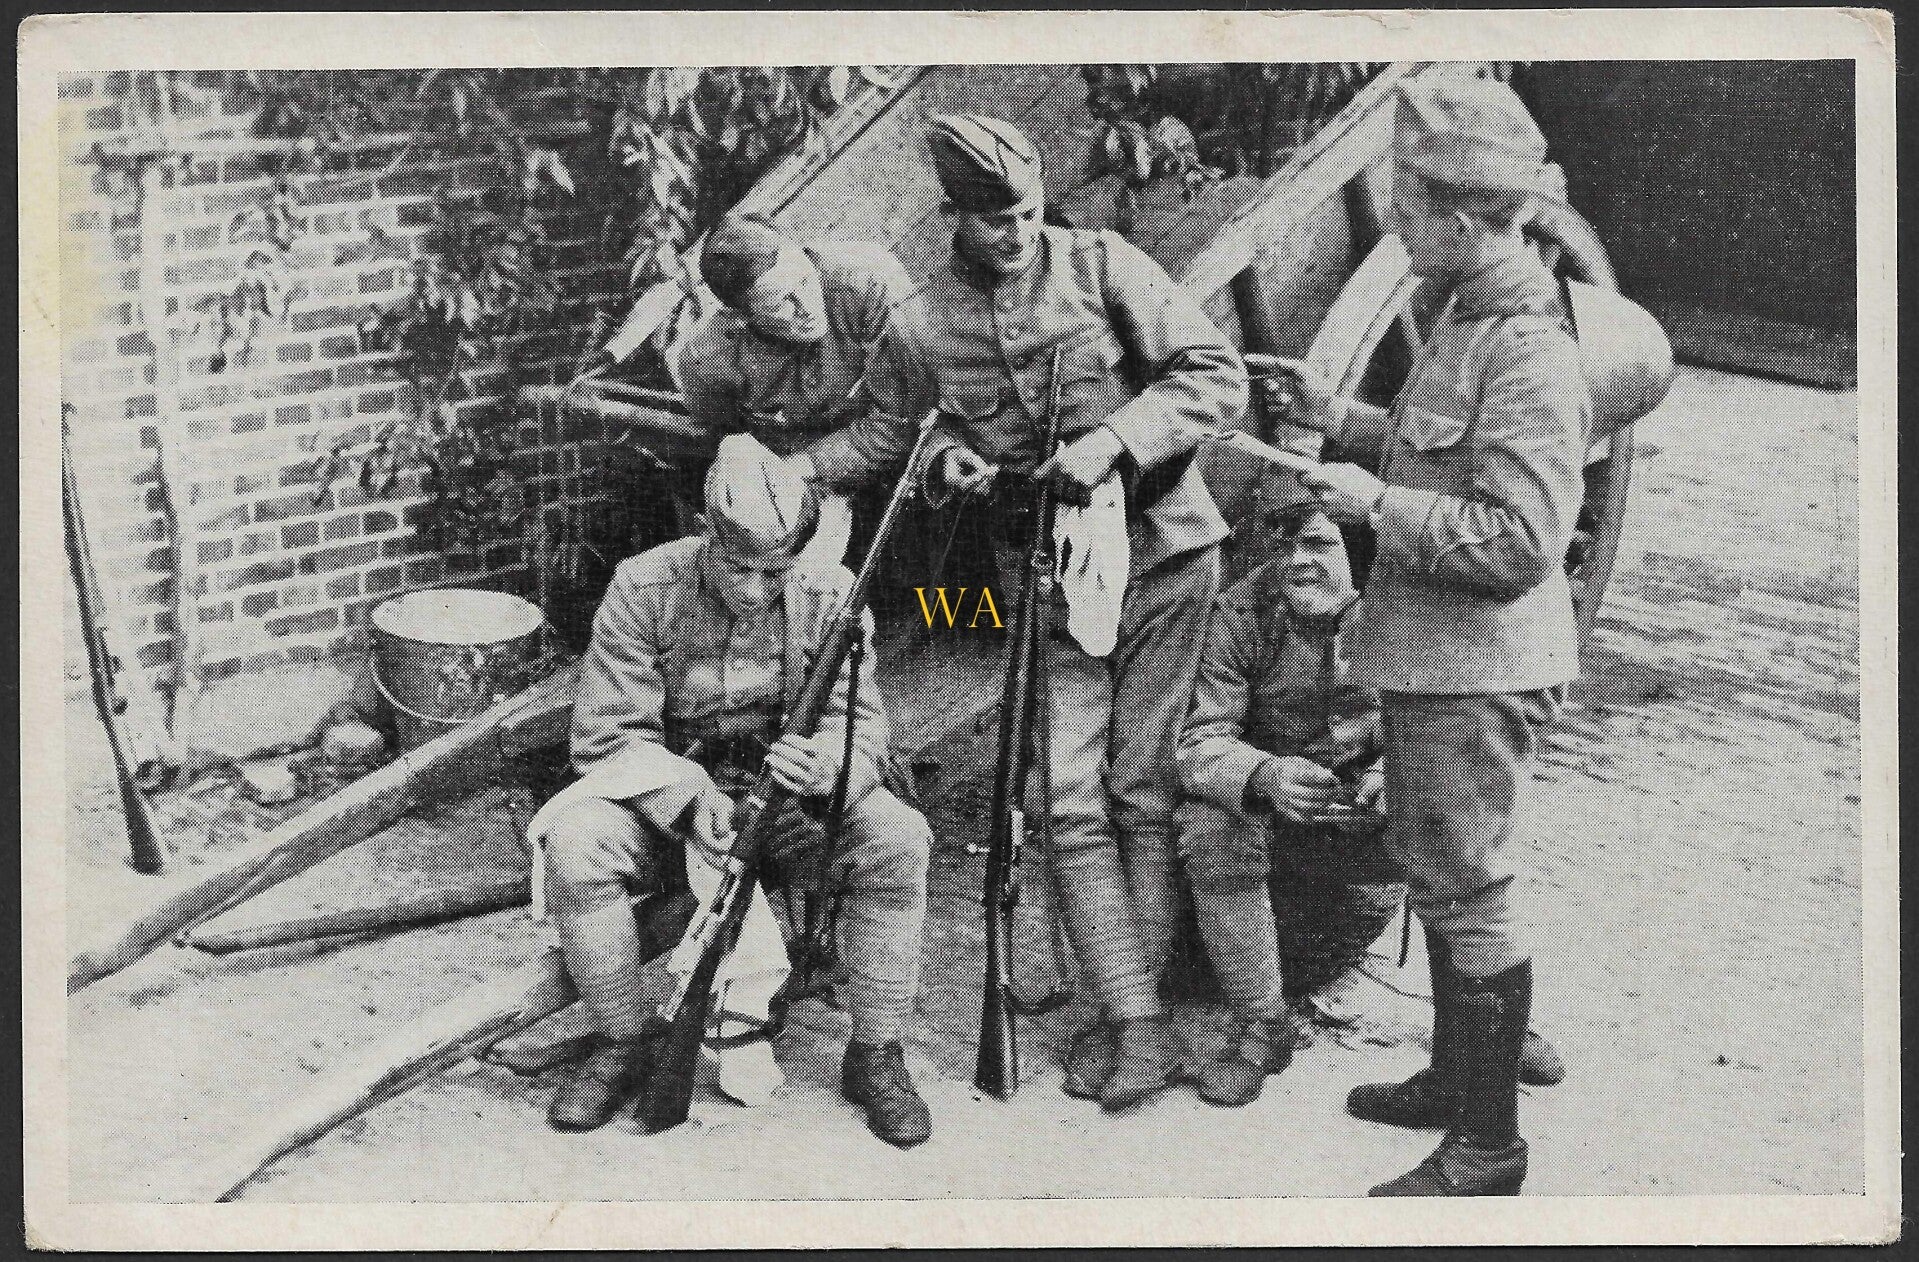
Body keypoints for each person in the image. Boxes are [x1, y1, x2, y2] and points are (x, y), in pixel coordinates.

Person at [806, 113, 1249, 1113]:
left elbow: (1211, 374)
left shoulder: (1101, 267)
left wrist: (1115, 441)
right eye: (987, 219)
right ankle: (1134, 1022)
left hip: (1164, 555)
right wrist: (944, 461)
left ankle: (1135, 1015)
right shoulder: (920, 321)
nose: (1010, 234)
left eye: (1019, 213)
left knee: (1140, 787)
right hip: (1044, 583)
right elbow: (901, 428)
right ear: (952, 216)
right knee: (1065, 797)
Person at [1262, 70, 1590, 1196]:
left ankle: (1487, 1142)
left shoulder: (1530, 348)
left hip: (1476, 665)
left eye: (1405, 209)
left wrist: (1369, 507)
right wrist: (1339, 421)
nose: (1395, 225)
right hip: (1433, 652)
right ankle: (1453, 1076)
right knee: (1441, 868)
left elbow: (1517, 542)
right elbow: (1431, 444)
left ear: (1456, 217)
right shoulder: (1467, 302)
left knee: (1469, 884)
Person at [526, 434, 935, 1148]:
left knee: (900, 842)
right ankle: (625, 1042)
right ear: (704, 536)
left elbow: (861, 725)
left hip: (796, 809)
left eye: (773, 573)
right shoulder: (645, 585)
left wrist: (830, 771)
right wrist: (687, 799)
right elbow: (605, 732)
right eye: (736, 567)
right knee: (576, 843)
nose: (753, 591)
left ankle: (875, 1052)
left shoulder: (832, 595)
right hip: (671, 799)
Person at [1174, 496, 1403, 1108]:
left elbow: (1448, 728)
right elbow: (1199, 740)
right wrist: (1263, 774)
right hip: (1262, 840)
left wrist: (1393, 774)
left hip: (1357, 839)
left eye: (1321, 546)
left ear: (1361, 555)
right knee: (1209, 820)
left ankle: (1487, 1025)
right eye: (1287, 547)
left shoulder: (1404, 616)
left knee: (1447, 819)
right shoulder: (1243, 617)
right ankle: (1262, 1023)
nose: (1298, 563)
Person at [674, 213, 916, 571]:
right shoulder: (708, 363)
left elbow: (903, 419)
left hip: (894, 446)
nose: (807, 308)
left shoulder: (867, 281)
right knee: (783, 572)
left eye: (805, 282)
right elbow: (731, 438)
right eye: (782, 303)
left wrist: (804, 466)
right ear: (740, 317)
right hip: (806, 481)